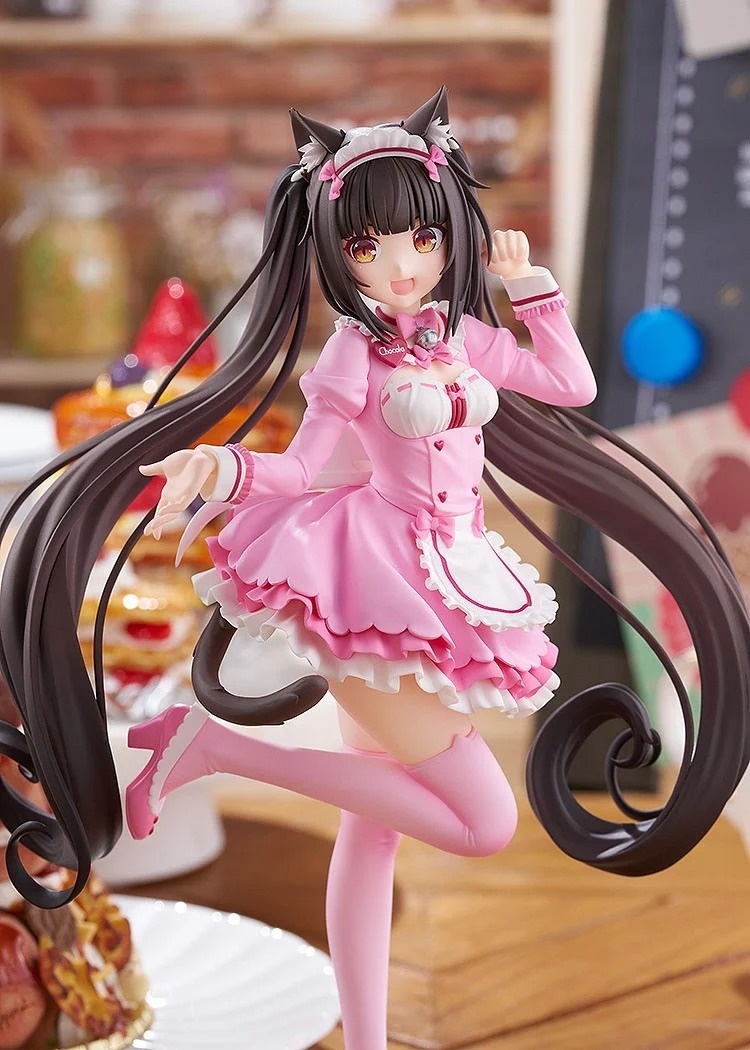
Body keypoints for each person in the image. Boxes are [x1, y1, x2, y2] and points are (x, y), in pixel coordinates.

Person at [0, 88, 747, 1050]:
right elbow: (301, 467)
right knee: (484, 824)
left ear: (449, 236)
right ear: (335, 253)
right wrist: (221, 467)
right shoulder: (352, 356)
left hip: (454, 578)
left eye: (421, 240)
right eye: (368, 248)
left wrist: (533, 291)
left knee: (374, 828)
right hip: (373, 589)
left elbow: (572, 383)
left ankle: (365, 1038)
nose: (401, 267)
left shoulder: (461, 333)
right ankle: (211, 750)